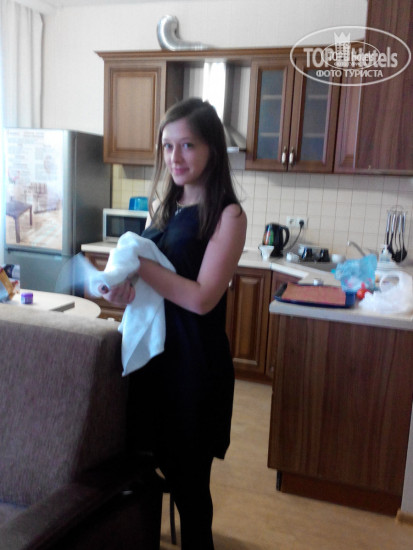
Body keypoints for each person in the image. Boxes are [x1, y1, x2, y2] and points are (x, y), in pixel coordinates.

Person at [100, 97, 247, 549]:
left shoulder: (228, 215)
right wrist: (123, 291)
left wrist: (140, 268)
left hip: (194, 369)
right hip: (152, 362)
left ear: (211, 149)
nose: (175, 157)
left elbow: (201, 299)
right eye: (167, 146)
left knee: (190, 490)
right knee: (142, 475)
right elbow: (150, 289)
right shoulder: (164, 206)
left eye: (187, 145)